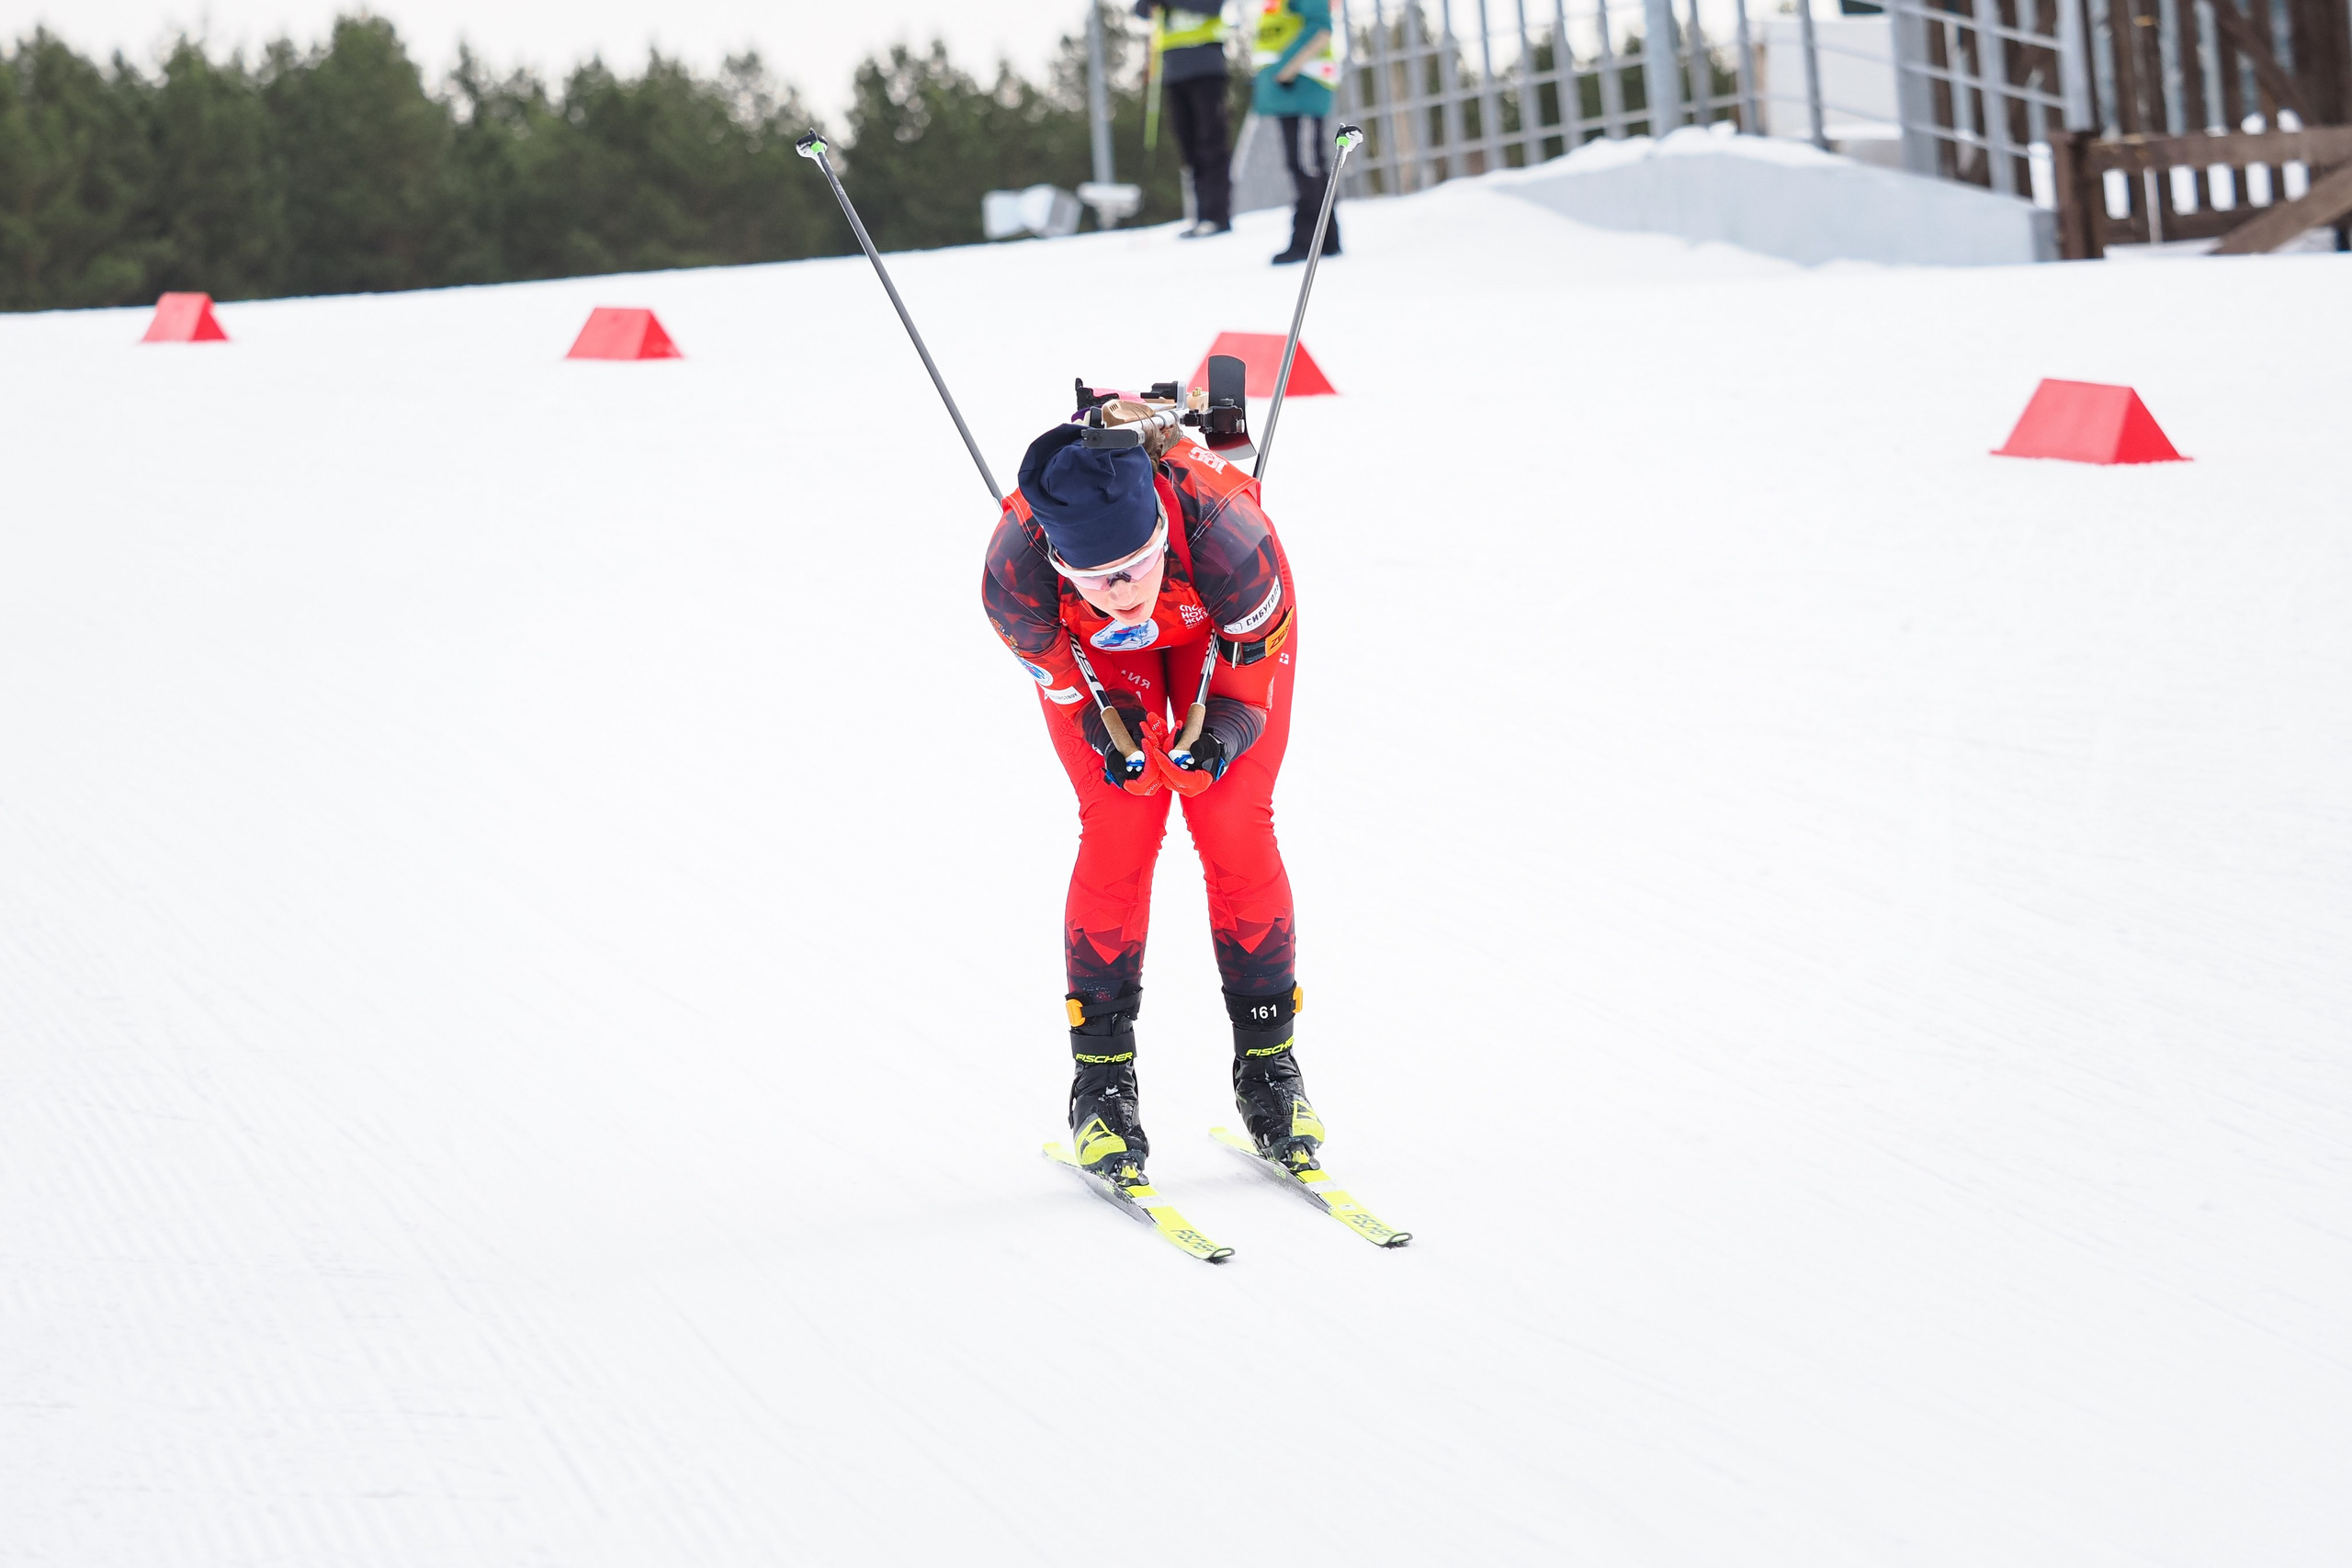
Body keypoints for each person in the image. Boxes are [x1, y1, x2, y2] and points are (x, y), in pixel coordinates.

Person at [982, 400, 1314, 1189]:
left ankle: (1270, 1069)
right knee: (1120, 824)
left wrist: (1219, 738)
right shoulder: (1016, 582)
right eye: (1095, 577)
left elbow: (1246, 697)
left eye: (1135, 564)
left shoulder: (1233, 542)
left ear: (1162, 531)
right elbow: (1071, 693)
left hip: (1214, 621)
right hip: (1096, 653)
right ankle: (1101, 1087)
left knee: (1233, 821)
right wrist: (1110, 738)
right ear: (1059, 562)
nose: (1122, 591)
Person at [1251, 0, 1342, 264]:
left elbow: (1320, 29)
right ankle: (1326, 239)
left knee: (1307, 164)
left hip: (1302, 87)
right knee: (1303, 163)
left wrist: (1285, 69)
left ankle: (1308, 240)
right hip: (1289, 92)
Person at [1136, 2, 1234, 237]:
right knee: (1188, 146)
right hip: (1173, 71)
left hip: (1206, 65)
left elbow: (1211, 6)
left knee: (1211, 142)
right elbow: (1141, 10)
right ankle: (1201, 215)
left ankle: (1217, 216)